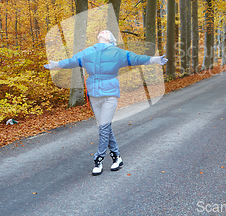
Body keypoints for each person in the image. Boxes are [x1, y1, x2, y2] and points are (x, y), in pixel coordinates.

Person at [44, 30, 167, 176]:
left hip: (110, 96)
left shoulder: (117, 52)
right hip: (94, 96)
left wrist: (154, 60)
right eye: (102, 31)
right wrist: (56, 64)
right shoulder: (88, 52)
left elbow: (135, 58)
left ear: (110, 40)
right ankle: (117, 157)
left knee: (103, 128)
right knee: (106, 127)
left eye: (107, 32)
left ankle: (99, 159)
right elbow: (71, 61)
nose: (104, 31)